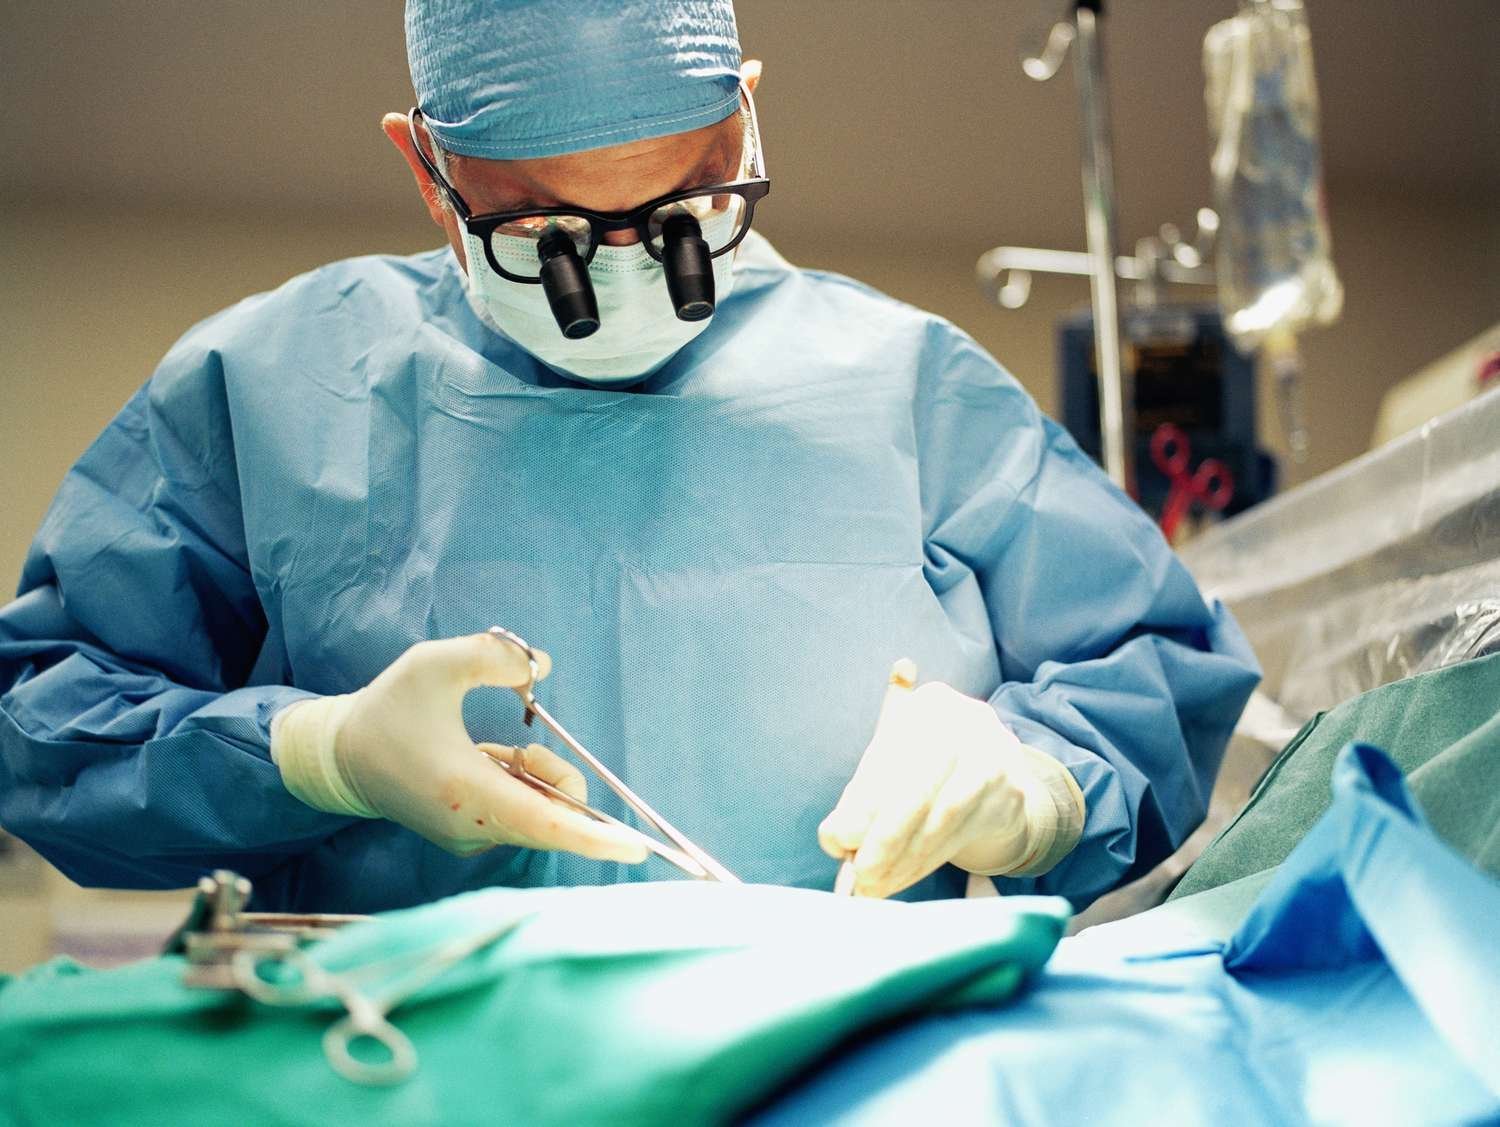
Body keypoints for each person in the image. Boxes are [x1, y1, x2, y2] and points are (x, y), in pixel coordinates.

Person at [0, 0, 1258, 914]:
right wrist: (315, 753)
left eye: (686, 215)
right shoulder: (270, 390)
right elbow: (44, 717)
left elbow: (1154, 660)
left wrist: (1029, 778)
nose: (623, 273)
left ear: (747, 110)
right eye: (546, 231)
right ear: (426, 170)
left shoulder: (908, 385)